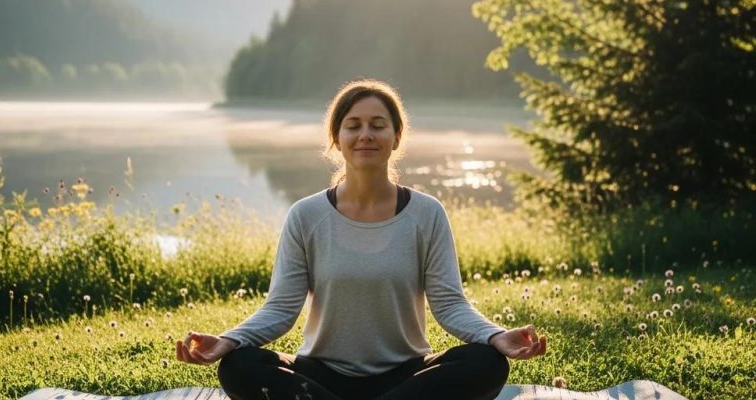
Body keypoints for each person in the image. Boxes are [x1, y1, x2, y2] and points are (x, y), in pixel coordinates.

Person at [175, 79, 547, 400]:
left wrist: (496, 336)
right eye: (353, 125)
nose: (365, 134)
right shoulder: (305, 216)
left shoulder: (427, 214)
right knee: (240, 365)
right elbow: (280, 310)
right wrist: (229, 340)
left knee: (485, 362)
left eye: (377, 125)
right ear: (336, 138)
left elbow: (449, 305)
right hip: (321, 375)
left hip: (407, 376)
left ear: (396, 136)